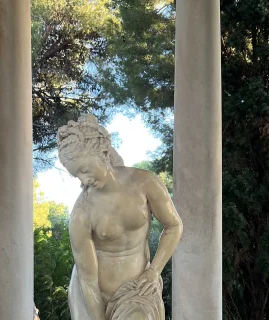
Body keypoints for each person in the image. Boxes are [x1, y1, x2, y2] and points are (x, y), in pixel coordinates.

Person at [57, 115, 183, 320]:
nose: (83, 180)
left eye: (84, 169)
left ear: (102, 153)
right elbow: (88, 281)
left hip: (137, 291)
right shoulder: (82, 213)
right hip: (94, 298)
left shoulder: (145, 182)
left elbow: (174, 225)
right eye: (76, 175)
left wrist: (154, 272)